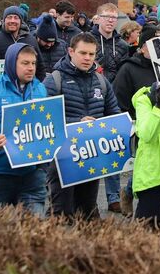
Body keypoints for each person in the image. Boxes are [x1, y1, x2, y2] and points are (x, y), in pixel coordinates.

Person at [43, 33, 120, 220]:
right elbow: (45, 120)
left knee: (88, 216)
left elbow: (114, 113)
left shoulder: (101, 81)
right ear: (71, 51)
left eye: (92, 54)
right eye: (83, 53)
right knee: (60, 215)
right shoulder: (54, 80)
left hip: (91, 157)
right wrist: (78, 123)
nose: (87, 58)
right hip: (63, 158)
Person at [0, 43, 47, 216]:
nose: (31, 68)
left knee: (35, 235)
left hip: (32, 176)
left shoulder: (41, 89)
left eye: (33, 63)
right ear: (11, 63)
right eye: (25, 63)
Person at [91, 3, 129, 212]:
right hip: (90, 99)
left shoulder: (122, 45)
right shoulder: (88, 41)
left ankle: (113, 197)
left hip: (113, 101)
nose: (111, 21)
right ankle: (89, 200)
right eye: (107, 17)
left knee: (112, 149)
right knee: (90, 150)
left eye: (115, 17)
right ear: (97, 18)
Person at [131, 82, 160, 226]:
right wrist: (159, 107)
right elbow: (147, 135)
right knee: (146, 239)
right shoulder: (146, 99)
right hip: (153, 180)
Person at [0, 6, 46, 81]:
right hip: (2, 88)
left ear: (21, 21)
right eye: (9, 17)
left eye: (16, 18)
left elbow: (40, 67)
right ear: (3, 20)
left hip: (27, 88)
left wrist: (39, 86)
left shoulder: (31, 40)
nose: (12, 21)